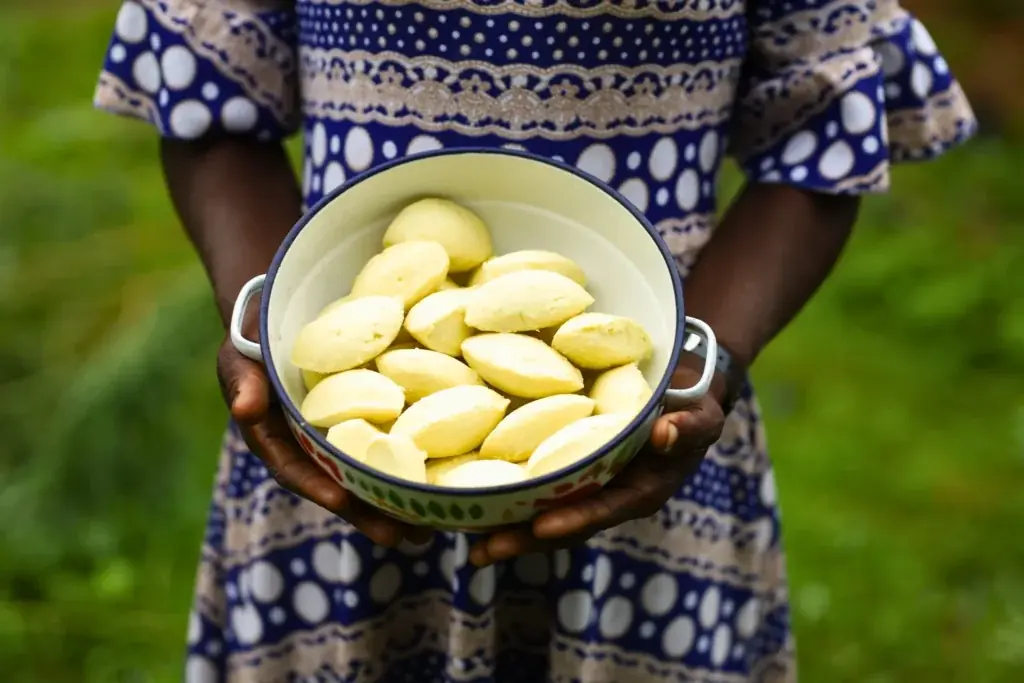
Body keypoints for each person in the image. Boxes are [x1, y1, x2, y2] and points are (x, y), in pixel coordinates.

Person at [95, 1, 974, 681]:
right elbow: (201, 76)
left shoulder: (656, 398)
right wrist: (271, 324)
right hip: (335, 464)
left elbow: (830, 124)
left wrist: (712, 362)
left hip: (649, 437)